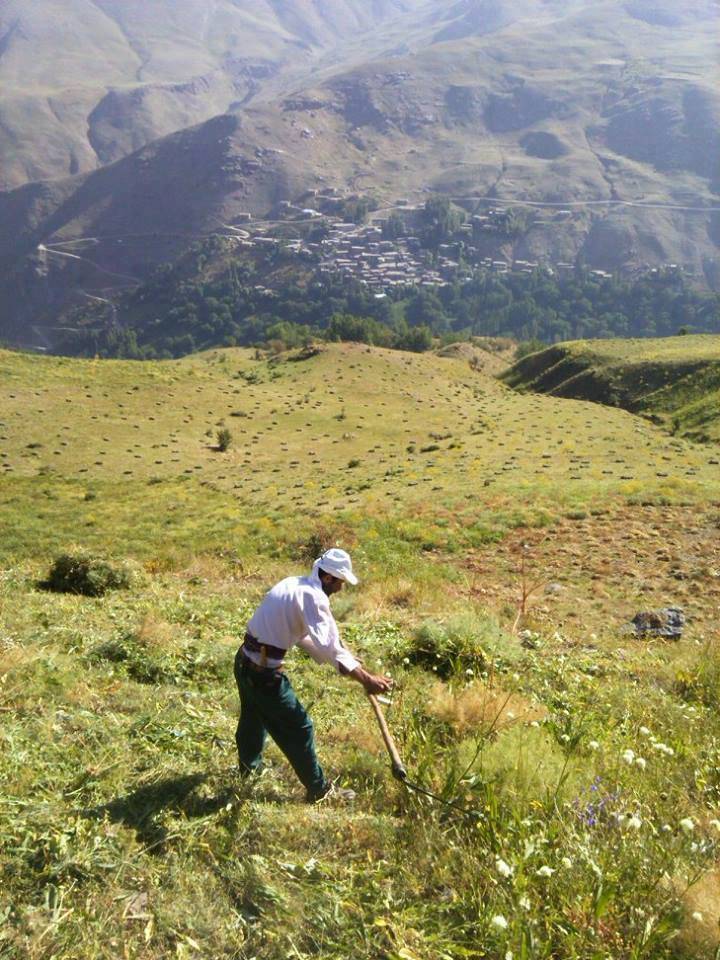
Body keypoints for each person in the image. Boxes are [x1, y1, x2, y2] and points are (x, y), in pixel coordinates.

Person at [234, 548, 392, 802]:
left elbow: (307, 637)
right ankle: (320, 790)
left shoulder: (293, 584)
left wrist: (346, 661)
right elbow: (329, 645)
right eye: (340, 582)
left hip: (244, 661)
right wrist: (367, 679)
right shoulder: (314, 598)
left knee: (253, 717)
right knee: (300, 728)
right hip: (263, 675)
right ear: (328, 578)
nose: (341, 588)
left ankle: (248, 769)